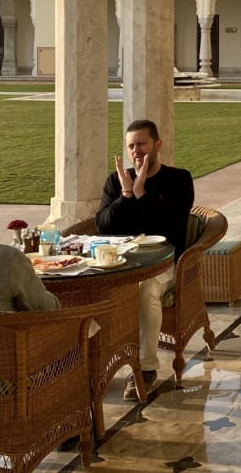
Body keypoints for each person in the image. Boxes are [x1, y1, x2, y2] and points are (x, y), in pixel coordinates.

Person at [95, 118, 194, 400]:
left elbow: (170, 227)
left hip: (163, 265)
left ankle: (146, 369)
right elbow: (103, 227)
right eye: (130, 146)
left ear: (157, 145)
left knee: (146, 289)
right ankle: (96, 366)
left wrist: (140, 193)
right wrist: (126, 195)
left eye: (141, 144)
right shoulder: (116, 181)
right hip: (121, 265)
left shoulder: (179, 180)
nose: (136, 151)